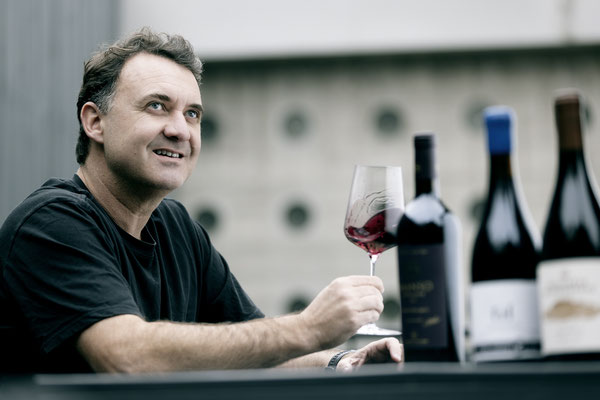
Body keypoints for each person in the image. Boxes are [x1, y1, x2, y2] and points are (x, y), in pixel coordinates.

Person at [0, 28, 402, 374]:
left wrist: (342, 361)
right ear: (94, 122)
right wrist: (308, 328)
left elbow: (255, 349)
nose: (180, 130)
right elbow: (125, 356)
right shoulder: (50, 223)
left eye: (192, 114)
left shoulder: (176, 227)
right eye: (156, 106)